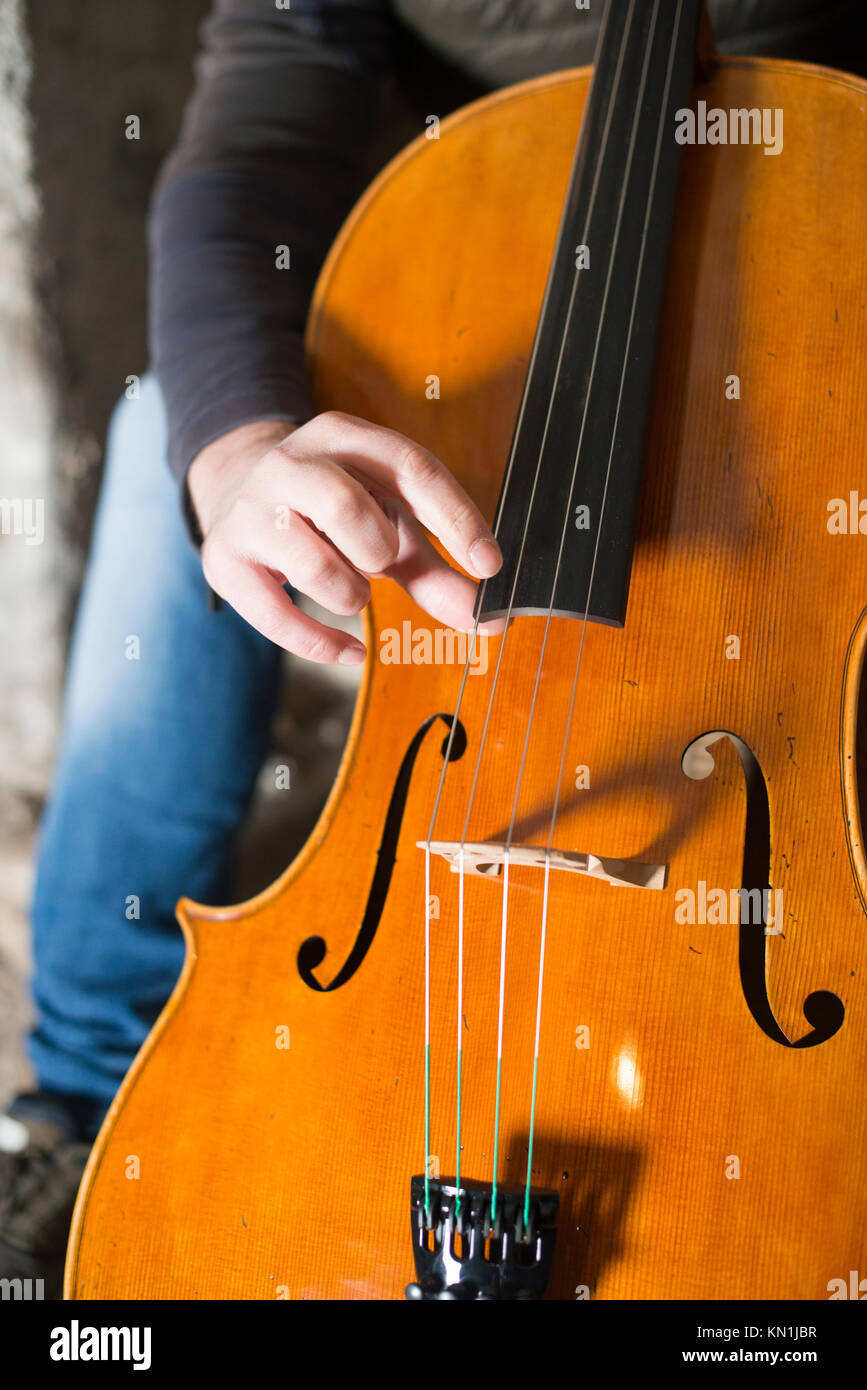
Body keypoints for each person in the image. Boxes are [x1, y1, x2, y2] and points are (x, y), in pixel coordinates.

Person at [1, 0, 862, 1299]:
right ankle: (74, 1091)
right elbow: (260, 128)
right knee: (167, 425)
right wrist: (237, 454)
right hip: (500, 240)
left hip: (826, 238)